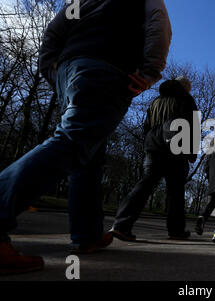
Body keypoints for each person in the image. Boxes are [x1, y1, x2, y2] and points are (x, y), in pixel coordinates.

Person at [0, 0, 171, 274]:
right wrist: (150, 72)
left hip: (70, 69)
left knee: (90, 154)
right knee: (72, 141)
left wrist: (53, 70)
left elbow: (54, 29)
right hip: (107, 67)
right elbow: (158, 24)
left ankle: (88, 233)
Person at [110, 77, 199, 241]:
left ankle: (121, 225)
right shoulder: (186, 99)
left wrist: (149, 144)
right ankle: (176, 230)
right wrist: (192, 152)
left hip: (154, 147)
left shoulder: (156, 101)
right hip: (176, 149)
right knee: (176, 192)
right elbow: (192, 127)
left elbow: (147, 126)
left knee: (144, 185)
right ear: (186, 88)